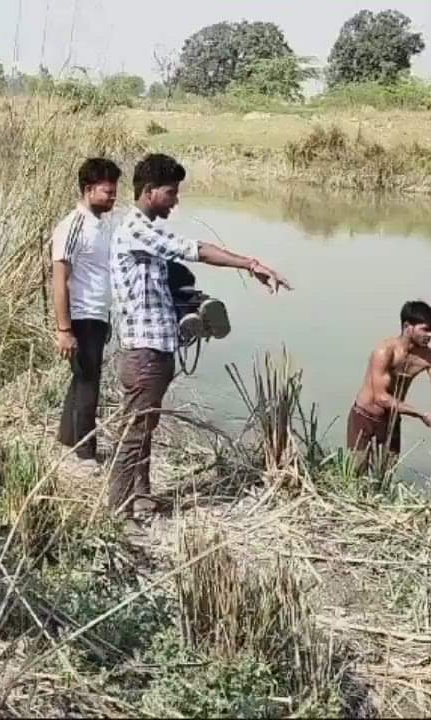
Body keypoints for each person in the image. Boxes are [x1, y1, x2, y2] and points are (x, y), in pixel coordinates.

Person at [109, 153, 291, 521]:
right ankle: (118, 510)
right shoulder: (136, 229)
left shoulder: (140, 231)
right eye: (171, 192)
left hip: (154, 347)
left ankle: (140, 496)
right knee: (135, 432)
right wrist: (250, 263)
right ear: (149, 191)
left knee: (145, 426)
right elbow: (194, 250)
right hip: (144, 352)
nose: (175, 201)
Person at [348, 300, 431, 474]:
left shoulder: (429, 358)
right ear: (407, 327)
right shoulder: (385, 352)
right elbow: (380, 398)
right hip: (365, 418)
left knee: (386, 474)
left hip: (391, 421)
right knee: (357, 473)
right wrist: (421, 414)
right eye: (425, 329)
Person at [51, 158, 120, 469]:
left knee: (83, 379)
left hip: (97, 314)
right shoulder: (72, 226)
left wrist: (107, 315)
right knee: (88, 383)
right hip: (81, 315)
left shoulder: (101, 225)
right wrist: (64, 329)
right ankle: (85, 453)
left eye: (114, 191)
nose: (113, 197)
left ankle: (68, 439)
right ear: (89, 189)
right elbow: (60, 280)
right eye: (107, 192)